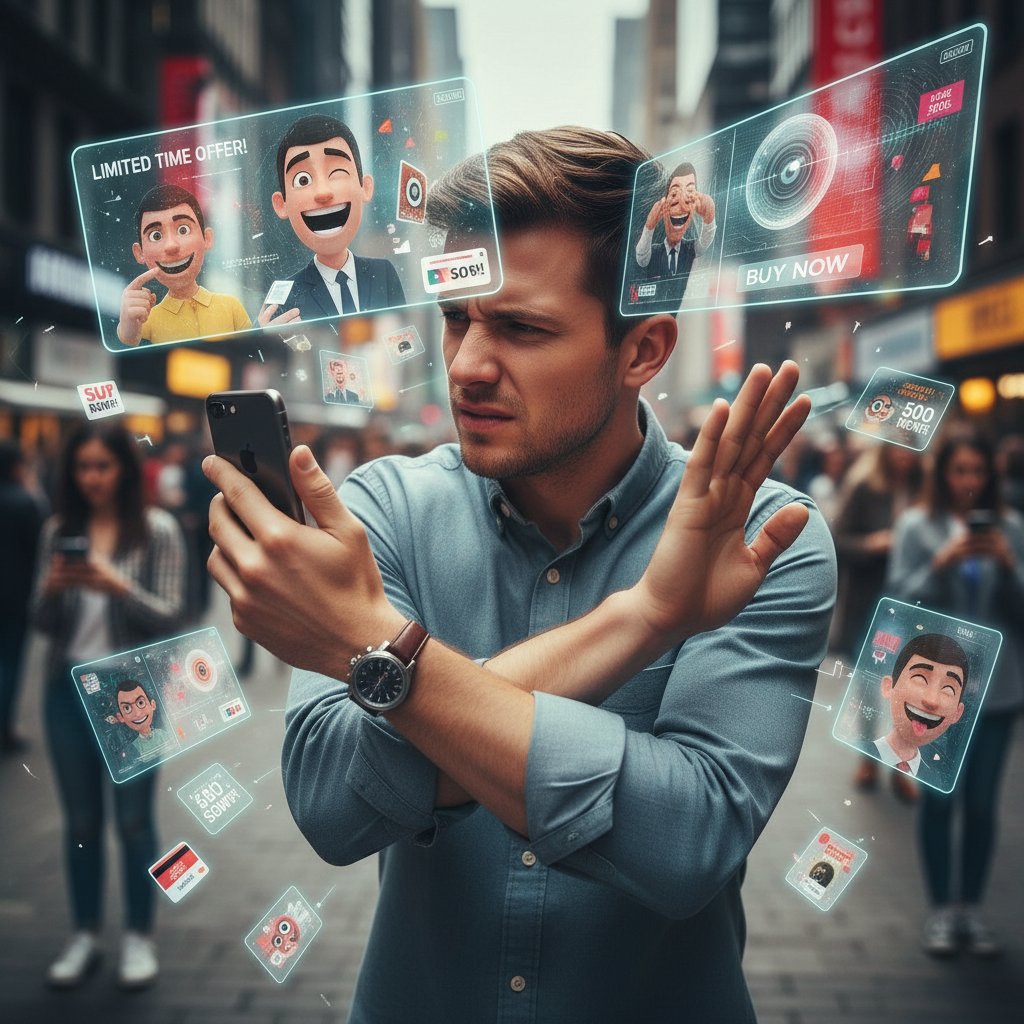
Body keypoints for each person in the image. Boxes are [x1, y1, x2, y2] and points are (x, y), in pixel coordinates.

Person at [203, 127, 836, 1023]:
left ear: (644, 352)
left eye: (522, 328)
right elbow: (329, 805)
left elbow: (687, 840)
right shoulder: (382, 509)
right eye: (457, 316)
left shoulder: (762, 537)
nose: (465, 365)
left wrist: (376, 655)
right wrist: (648, 617)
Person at [31, 422, 186, 989]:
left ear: (123, 468)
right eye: (82, 467)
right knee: (81, 822)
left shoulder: (158, 531)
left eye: (103, 466)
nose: (92, 477)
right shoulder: (57, 531)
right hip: (65, 691)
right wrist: (52, 587)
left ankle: (139, 937)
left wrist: (112, 583)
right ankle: (85, 934)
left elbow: (172, 615)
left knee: (135, 821)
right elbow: (40, 623)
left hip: (133, 696)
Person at [887, 432, 1024, 958]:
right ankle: (941, 909)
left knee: (985, 805)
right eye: (959, 470)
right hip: (938, 695)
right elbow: (899, 597)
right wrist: (940, 564)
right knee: (941, 799)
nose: (969, 481)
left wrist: (1010, 566)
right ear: (942, 474)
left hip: (1000, 688)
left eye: (978, 471)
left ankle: (971, 907)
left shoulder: (1010, 528)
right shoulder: (918, 526)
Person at [832, 443, 922, 799]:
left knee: (911, 690)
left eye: (912, 450)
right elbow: (838, 539)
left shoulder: (927, 489)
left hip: (913, 605)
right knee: (870, 682)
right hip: (872, 603)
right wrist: (873, 544)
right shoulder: (865, 485)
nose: (905, 457)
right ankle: (869, 756)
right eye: (899, 450)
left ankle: (901, 766)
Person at [259, 114, 406, 326]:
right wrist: (262, 338)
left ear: (365, 187)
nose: (323, 192)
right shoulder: (286, 294)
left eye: (337, 172)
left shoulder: (383, 273)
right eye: (303, 180)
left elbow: (406, 338)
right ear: (282, 204)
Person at [116, 183, 251, 346]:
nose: (171, 246)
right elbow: (127, 346)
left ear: (207, 238)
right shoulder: (147, 321)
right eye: (156, 236)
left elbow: (253, 352)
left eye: (183, 230)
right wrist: (127, 330)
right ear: (140, 253)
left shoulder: (231, 307)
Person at [854, 632, 968, 779]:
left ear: (957, 713)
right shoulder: (857, 750)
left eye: (948, 689)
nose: (931, 700)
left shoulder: (933, 779)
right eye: (920, 678)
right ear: (888, 686)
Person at [0, 439, 44, 752]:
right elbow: (41, 544)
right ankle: (4, 728)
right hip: (15, 595)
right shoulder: (24, 500)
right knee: (9, 662)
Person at [634, 160, 716, 303]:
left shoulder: (690, 248)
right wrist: (649, 226)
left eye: (690, 192)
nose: (682, 204)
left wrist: (709, 217)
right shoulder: (654, 251)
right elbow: (642, 258)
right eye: (674, 194)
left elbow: (704, 244)